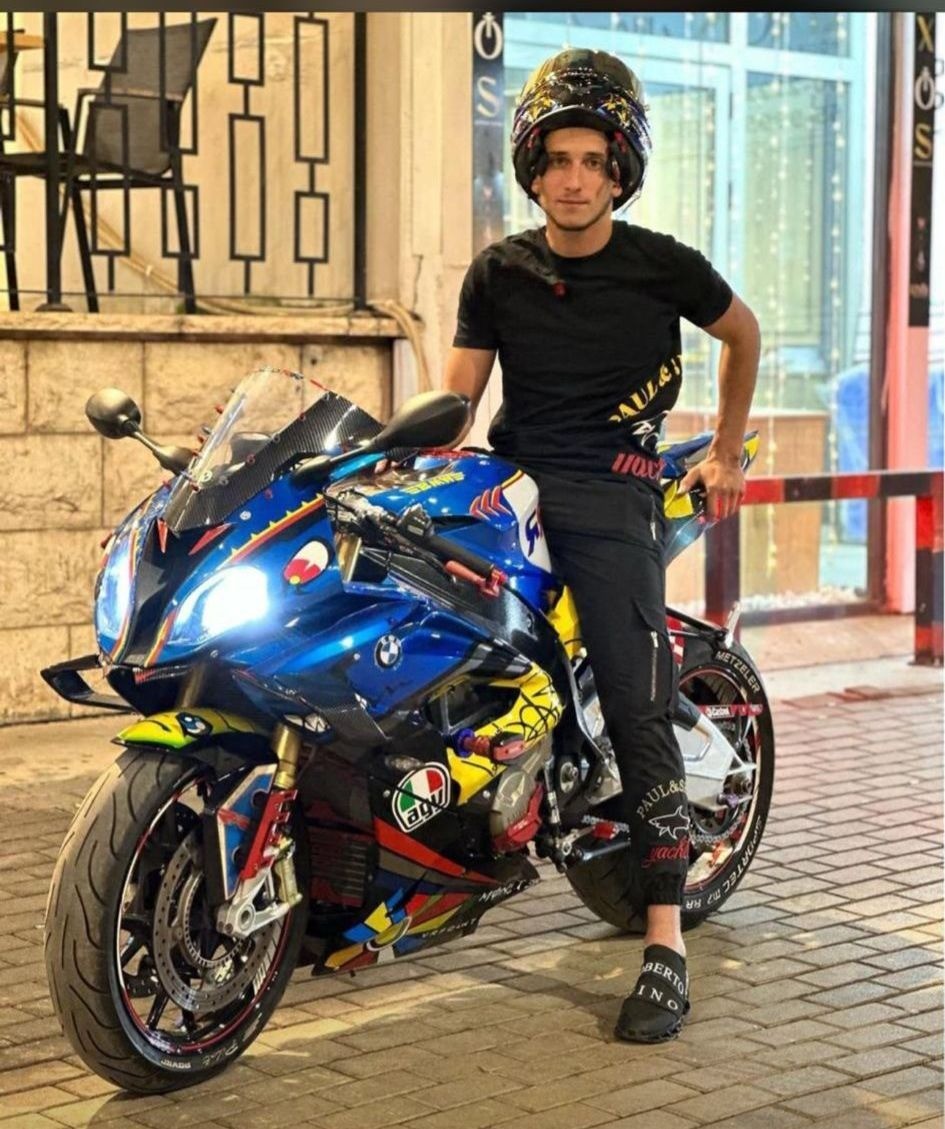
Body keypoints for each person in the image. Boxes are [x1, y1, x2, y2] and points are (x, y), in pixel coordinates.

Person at [444, 48, 760, 1043]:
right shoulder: (498, 272)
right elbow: (456, 403)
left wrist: (726, 453)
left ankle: (663, 941)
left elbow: (744, 333)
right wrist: (398, 462)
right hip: (513, 485)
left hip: (613, 494)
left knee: (635, 700)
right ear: (532, 170)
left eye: (593, 161)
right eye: (557, 160)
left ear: (620, 172)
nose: (574, 179)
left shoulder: (661, 265)